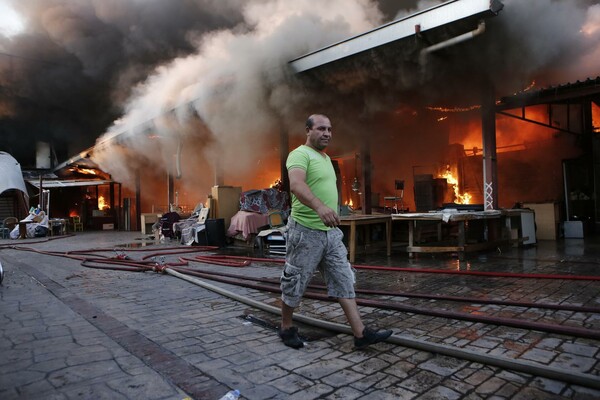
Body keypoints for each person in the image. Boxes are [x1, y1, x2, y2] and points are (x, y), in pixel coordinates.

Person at [278, 114, 392, 349]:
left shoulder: (326, 158)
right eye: (321, 129)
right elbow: (297, 185)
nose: (327, 133)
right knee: (295, 281)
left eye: (330, 129)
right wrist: (319, 206)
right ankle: (286, 327)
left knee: (344, 279)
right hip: (305, 231)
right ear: (308, 130)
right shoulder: (299, 154)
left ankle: (360, 335)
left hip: (330, 233)